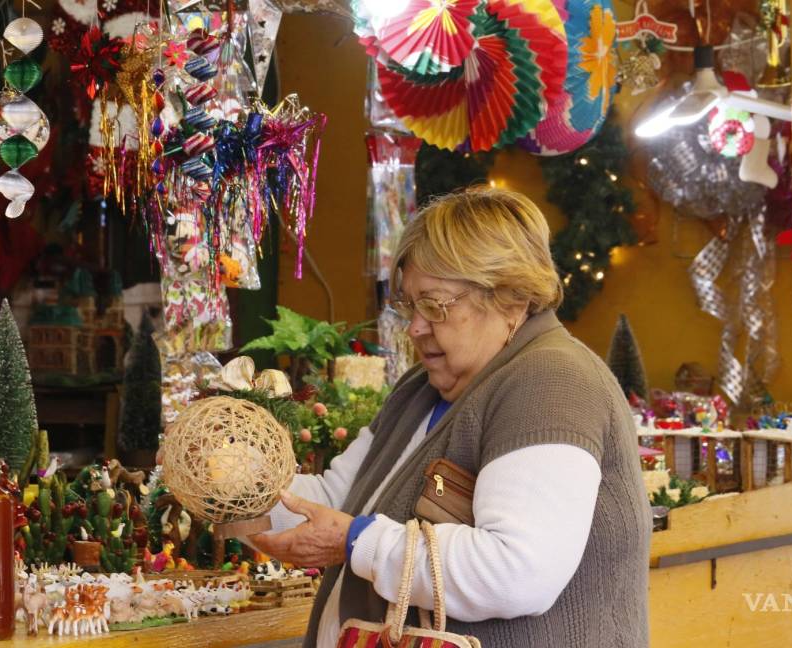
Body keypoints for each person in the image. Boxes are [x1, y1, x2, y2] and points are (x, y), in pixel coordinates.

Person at [250, 188, 651, 647]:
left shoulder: (550, 380)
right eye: (409, 305)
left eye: (435, 305)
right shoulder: (422, 389)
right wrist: (234, 489)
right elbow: (333, 504)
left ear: (512, 299)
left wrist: (359, 542)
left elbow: (516, 570)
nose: (416, 327)